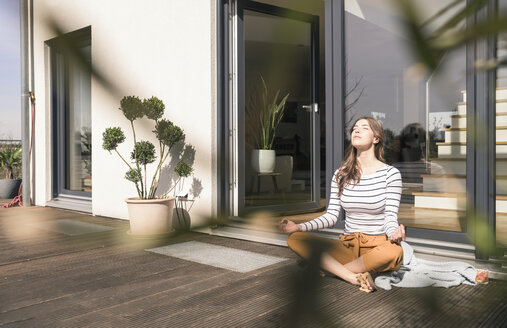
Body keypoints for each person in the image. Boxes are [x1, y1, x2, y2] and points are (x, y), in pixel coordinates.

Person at [279, 117, 405, 292]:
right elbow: (331, 216)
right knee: (295, 239)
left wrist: (394, 233)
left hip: (376, 245)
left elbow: (390, 217)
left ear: (376, 138)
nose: (356, 131)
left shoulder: (391, 174)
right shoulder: (341, 174)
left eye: (364, 128)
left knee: (395, 252)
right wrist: (299, 227)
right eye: (354, 128)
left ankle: (329, 269)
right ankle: (352, 276)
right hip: (348, 245)